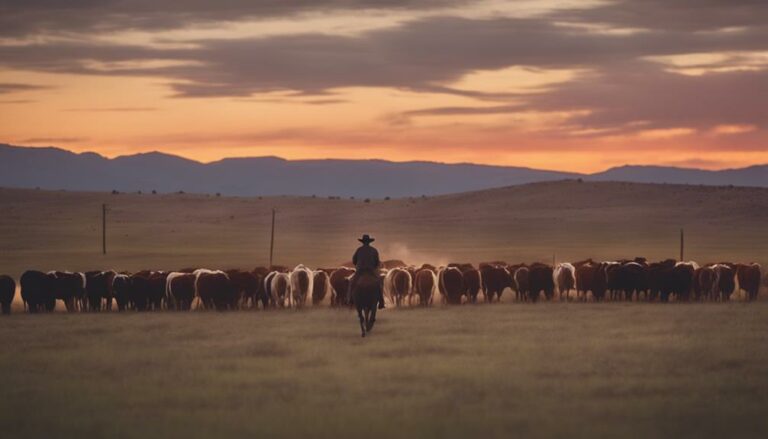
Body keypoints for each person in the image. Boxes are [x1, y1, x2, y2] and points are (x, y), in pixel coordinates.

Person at [347, 234, 385, 309]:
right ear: (369, 242)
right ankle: (381, 302)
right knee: (379, 283)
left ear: (363, 242)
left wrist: (358, 265)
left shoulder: (359, 250)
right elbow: (377, 262)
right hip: (371, 270)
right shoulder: (374, 250)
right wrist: (374, 267)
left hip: (360, 270)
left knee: (352, 282)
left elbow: (354, 260)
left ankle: (350, 299)